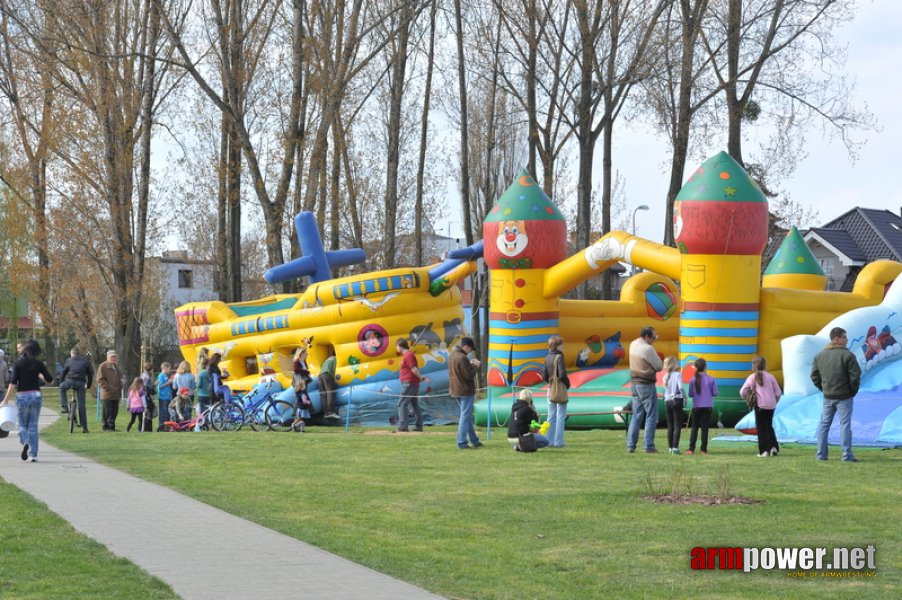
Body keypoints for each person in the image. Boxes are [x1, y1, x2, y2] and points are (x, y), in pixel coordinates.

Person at [811, 327, 861, 462]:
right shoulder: (848, 355)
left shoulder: (819, 356)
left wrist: (823, 388)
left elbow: (814, 376)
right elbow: (855, 376)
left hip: (828, 396)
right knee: (844, 425)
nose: (847, 339)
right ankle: (846, 455)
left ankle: (821, 455)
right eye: (845, 337)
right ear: (837, 338)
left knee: (823, 425)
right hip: (844, 396)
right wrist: (852, 391)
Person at [1, 339, 54, 461]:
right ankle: (33, 455)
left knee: (22, 424)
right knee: (33, 426)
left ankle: (25, 441)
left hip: (22, 396)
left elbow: (13, 383)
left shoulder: (18, 363)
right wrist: (40, 375)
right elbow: (50, 380)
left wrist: (6, 400)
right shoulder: (39, 363)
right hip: (36, 395)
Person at [627, 326, 664, 453]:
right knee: (651, 415)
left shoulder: (633, 344)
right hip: (646, 384)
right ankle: (648, 446)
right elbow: (659, 366)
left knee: (636, 415)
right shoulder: (648, 349)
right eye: (654, 337)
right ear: (647, 337)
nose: (654, 340)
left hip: (634, 383)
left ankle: (631, 445)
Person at [740, 356, 783, 457]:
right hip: (771, 405)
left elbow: (742, 391)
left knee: (761, 429)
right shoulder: (771, 377)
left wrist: (747, 398)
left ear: (754, 366)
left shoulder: (751, 377)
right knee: (769, 426)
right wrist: (774, 402)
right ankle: (773, 447)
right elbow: (778, 393)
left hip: (760, 405)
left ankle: (764, 451)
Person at [449, 337, 484, 449]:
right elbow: (468, 375)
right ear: (466, 347)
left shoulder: (452, 355)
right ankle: (462, 442)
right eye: (470, 349)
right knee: (465, 417)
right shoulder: (462, 357)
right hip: (465, 390)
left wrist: (470, 364)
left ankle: (474, 440)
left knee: (467, 416)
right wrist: (475, 366)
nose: (470, 351)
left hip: (456, 389)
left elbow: (460, 372)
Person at [686, 358, 718, 455]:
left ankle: (691, 449)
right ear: (705, 367)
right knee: (705, 428)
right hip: (707, 406)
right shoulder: (711, 379)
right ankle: (703, 449)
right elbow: (715, 393)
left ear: (695, 367)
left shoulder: (692, 380)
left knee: (694, 427)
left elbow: (690, 394)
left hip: (696, 406)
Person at [59, 347, 95, 433]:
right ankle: (84, 427)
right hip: (81, 383)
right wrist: (89, 385)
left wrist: (61, 382)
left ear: (72, 354)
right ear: (79, 354)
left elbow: (63, 373)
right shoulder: (86, 361)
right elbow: (90, 374)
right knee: (82, 405)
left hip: (70, 380)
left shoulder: (69, 360)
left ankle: (65, 406)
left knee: (62, 387)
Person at [542, 335, 570, 448]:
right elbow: (562, 373)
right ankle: (559, 441)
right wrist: (567, 384)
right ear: (557, 345)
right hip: (559, 389)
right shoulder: (559, 356)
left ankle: (549, 440)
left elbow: (544, 375)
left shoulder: (547, 357)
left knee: (551, 416)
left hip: (550, 388)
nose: (563, 347)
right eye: (561, 344)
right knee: (560, 416)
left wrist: (551, 381)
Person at [396, 338, 424, 432]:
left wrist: (421, 378)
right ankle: (418, 426)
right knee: (414, 405)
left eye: (396, 346)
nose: (396, 348)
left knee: (402, 404)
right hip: (411, 383)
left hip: (409, 383)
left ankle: (403, 426)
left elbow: (414, 369)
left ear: (400, 346)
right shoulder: (408, 355)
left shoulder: (408, 355)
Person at [97, 350, 124, 432]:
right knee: (107, 411)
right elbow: (100, 380)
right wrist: (108, 388)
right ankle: (106, 427)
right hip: (107, 394)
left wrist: (121, 383)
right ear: (107, 357)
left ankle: (111, 427)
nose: (113, 358)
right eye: (112, 357)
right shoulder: (102, 366)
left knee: (114, 411)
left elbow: (119, 377)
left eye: (114, 356)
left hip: (116, 394)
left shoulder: (115, 366)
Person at [662, 356, 684, 455]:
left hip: (667, 401)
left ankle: (670, 447)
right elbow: (681, 387)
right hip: (677, 400)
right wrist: (685, 396)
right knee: (677, 425)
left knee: (670, 426)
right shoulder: (678, 374)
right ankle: (675, 447)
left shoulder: (664, 376)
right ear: (674, 364)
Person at [291, 347, 313, 432]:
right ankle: (296, 424)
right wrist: (306, 372)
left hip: (303, 384)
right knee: (301, 403)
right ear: (301, 354)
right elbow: (295, 370)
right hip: (299, 385)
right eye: (305, 353)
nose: (307, 354)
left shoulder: (303, 362)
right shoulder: (297, 362)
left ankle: (298, 424)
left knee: (303, 404)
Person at [317, 349, 339, 419]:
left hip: (320, 375)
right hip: (327, 374)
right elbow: (334, 370)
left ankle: (325, 412)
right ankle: (331, 412)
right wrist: (335, 379)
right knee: (330, 392)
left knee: (323, 395)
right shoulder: (335, 359)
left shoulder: (327, 359)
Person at [156, 362, 175, 430]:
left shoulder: (165, 375)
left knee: (167, 413)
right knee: (163, 413)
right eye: (169, 368)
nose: (169, 370)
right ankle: (162, 427)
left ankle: (166, 427)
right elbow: (160, 386)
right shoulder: (161, 375)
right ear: (165, 368)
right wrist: (168, 382)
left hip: (167, 397)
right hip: (163, 397)